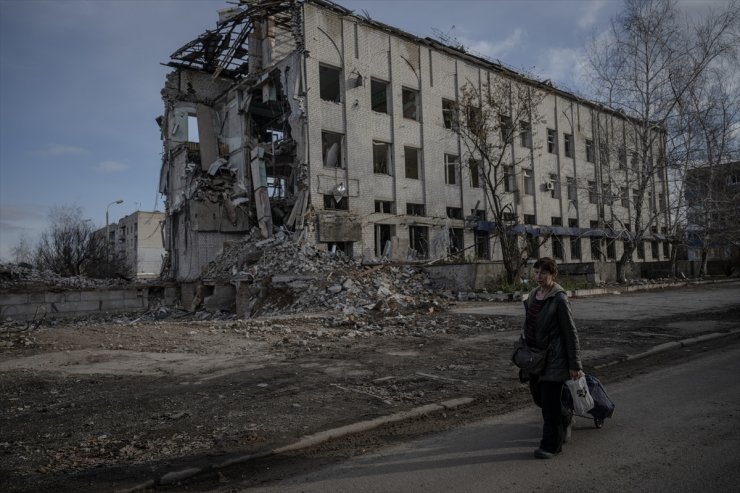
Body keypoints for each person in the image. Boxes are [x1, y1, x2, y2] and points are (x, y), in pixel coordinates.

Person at [522, 257, 583, 459]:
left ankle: (551, 445)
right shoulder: (533, 295)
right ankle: (565, 416)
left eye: (543, 273)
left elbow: (570, 332)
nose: (538, 277)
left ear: (553, 274)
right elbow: (529, 325)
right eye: (536, 272)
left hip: (555, 359)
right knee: (539, 397)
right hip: (535, 359)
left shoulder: (559, 299)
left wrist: (574, 364)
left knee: (549, 405)